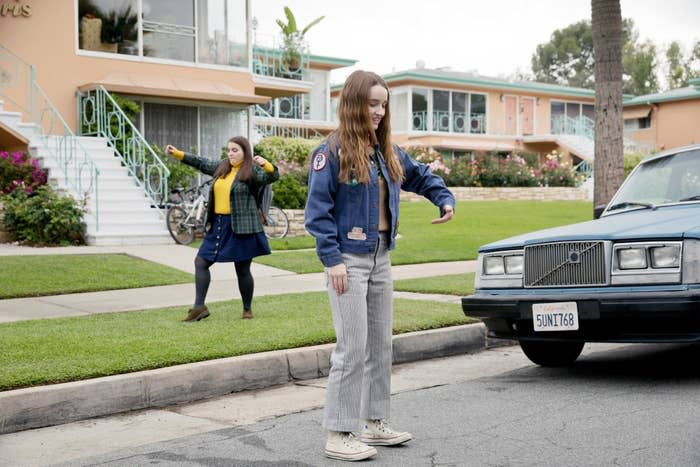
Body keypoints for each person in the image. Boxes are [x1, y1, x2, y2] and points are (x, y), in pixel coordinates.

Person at [304, 70, 455, 462]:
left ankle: (375, 423)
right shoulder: (331, 151)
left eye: (383, 104)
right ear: (354, 104)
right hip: (348, 263)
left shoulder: (385, 150)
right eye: (372, 103)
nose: (379, 111)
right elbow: (317, 214)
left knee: (379, 346)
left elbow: (419, 176)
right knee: (351, 348)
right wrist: (332, 260)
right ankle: (339, 433)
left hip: (381, 256)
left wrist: (443, 198)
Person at [165, 136, 278, 321]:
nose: (231, 154)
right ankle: (198, 307)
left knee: (242, 269)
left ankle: (247, 309)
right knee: (201, 262)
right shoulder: (222, 167)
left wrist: (267, 165)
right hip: (219, 225)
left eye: (235, 150)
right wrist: (177, 153)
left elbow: (271, 177)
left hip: (242, 227)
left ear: (245, 152)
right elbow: (201, 162)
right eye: (229, 150)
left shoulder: (251, 171)